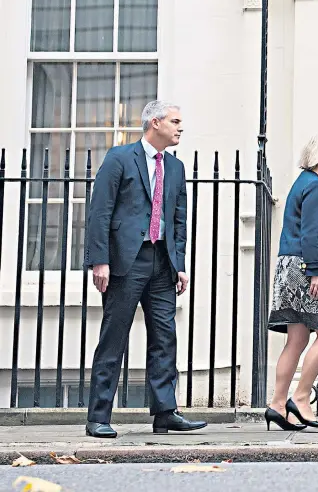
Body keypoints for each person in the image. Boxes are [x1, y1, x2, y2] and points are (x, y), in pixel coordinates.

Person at [84, 100, 207, 438]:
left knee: (165, 338)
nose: (181, 127)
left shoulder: (176, 168)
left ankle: (165, 412)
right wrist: (99, 261)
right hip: (126, 262)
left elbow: (179, 221)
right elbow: (99, 213)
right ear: (155, 122)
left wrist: (179, 265)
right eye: (175, 121)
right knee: (114, 337)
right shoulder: (119, 159)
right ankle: (98, 416)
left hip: (162, 264)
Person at [266, 131, 318, 431]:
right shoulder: (314, 188)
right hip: (302, 267)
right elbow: (310, 234)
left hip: (288, 266)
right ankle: (300, 398)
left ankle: (276, 404)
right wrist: (316, 271)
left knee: (297, 339)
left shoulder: (302, 183)